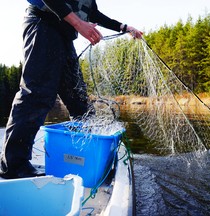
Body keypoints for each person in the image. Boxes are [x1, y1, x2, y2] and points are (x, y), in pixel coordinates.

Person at [0, 0, 142, 179]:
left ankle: (87, 158)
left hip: (64, 36)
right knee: (37, 95)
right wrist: (79, 24)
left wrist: (124, 27)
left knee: (79, 100)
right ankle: (14, 165)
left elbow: (93, 13)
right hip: (42, 26)